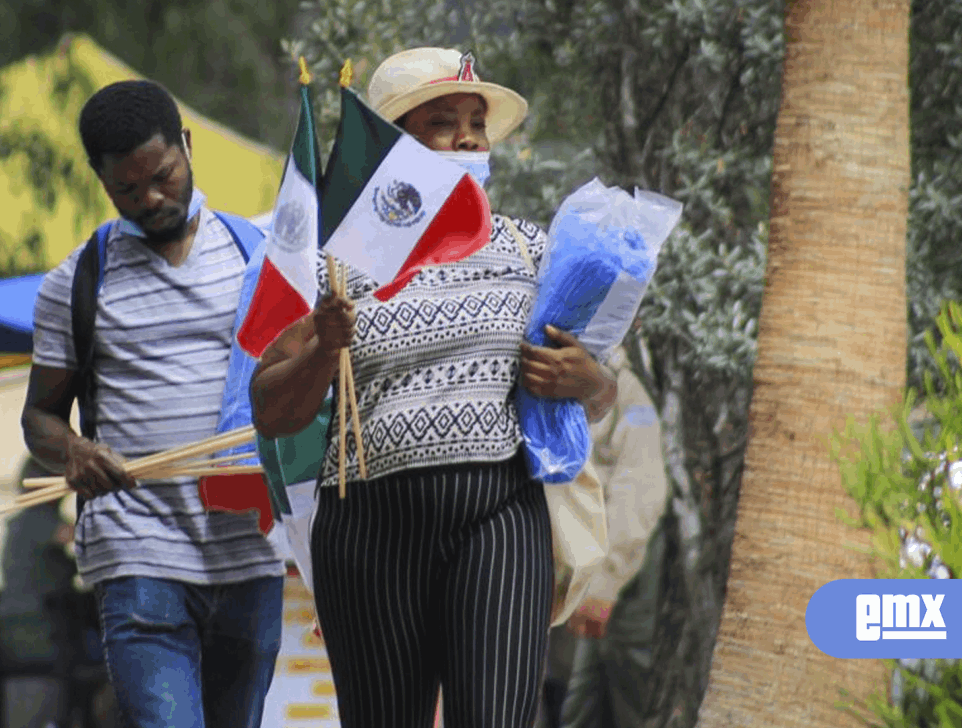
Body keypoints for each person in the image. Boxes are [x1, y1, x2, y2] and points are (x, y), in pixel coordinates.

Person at [250, 47, 619, 728]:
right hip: (366, 530)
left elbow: (600, 397)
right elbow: (270, 410)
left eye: (475, 121)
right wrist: (321, 350)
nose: (469, 136)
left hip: (499, 515)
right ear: (393, 147)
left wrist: (589, 380)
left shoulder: (532, 252)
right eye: (443, 122)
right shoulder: (334, 263)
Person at [20, 79, 285, 728]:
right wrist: (73, 451)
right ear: (101, 181)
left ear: (187, 146)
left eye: (163, 175)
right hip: (137, 548)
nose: (151, 198)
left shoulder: (260, 257)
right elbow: (39, 416)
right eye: (127, 190)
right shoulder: (76, 282)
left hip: (250, 548)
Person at [541, 346, 670, 728]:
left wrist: (604, 585)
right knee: (571, 698)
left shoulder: (629, 388)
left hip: (619, 571)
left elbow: (640, 492)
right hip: (570, 568)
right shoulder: (558, 369)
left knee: (624, 692)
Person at [0, 455, 80, 728]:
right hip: (38, 632)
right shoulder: (37, 519)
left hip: (22, 631)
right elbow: (76, 534)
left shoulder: (25, 521)